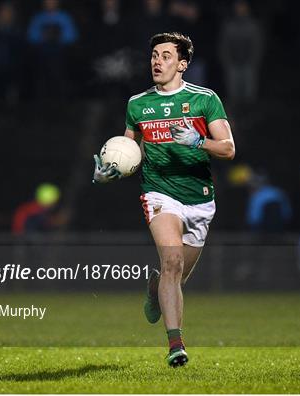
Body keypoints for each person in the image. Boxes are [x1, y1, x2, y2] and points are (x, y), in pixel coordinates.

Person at [92, 32, 235, 367]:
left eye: (166, 55)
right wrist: (107, 173)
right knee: (171, 263)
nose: (157, 61)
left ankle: (155, 288)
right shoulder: (137, 104)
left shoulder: (205, 99)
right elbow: (127, 153)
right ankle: (176, 345)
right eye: (154, 55)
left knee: (176, 276)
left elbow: (228, 148)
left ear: (183, 64)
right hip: (159, 192)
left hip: (199, 199)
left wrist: (197, 141)